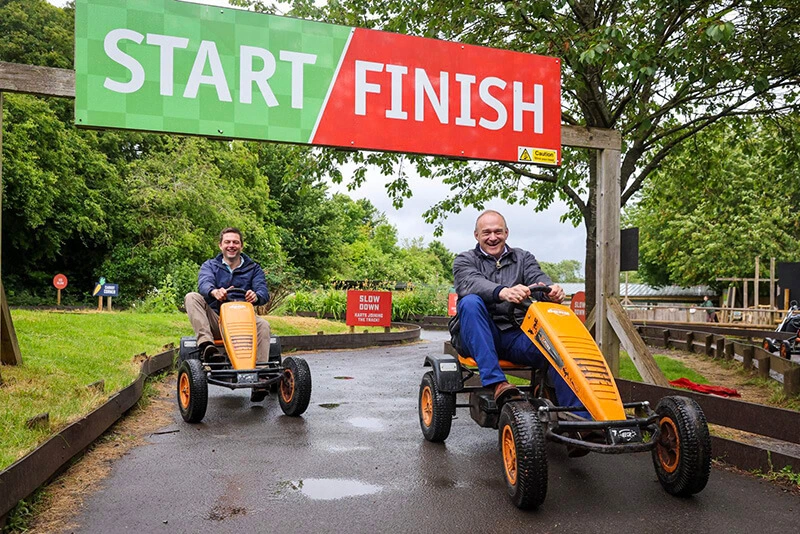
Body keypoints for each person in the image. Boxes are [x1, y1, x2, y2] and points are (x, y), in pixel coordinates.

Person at [452, 210, 590, 421]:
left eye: (498, 231)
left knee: (557, 347)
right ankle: (497, 383)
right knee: (470, 301)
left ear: (506, 233)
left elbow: (538, 278)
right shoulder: (464, 260)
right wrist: (502, 291)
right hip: (476, 334)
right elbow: (470, 283)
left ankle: (578, 420)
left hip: (515, 334)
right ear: (476, 235)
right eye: (486, 232)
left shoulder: (523, 258)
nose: (492, 237)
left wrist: (551, 290)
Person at [185, 227, 271, 364]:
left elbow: (263, 292)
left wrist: (255, 296)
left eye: (235, 242)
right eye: (227, 242)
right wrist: (214, 292)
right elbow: (204, 284)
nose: (231, 246)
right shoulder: (210, 266)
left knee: (264, 325)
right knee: (191, 297)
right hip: (217, 320)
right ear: (221, 245)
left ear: (241, 246)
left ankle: (260, 372)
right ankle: (207, 346)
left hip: (244, 322)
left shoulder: (254, 268)